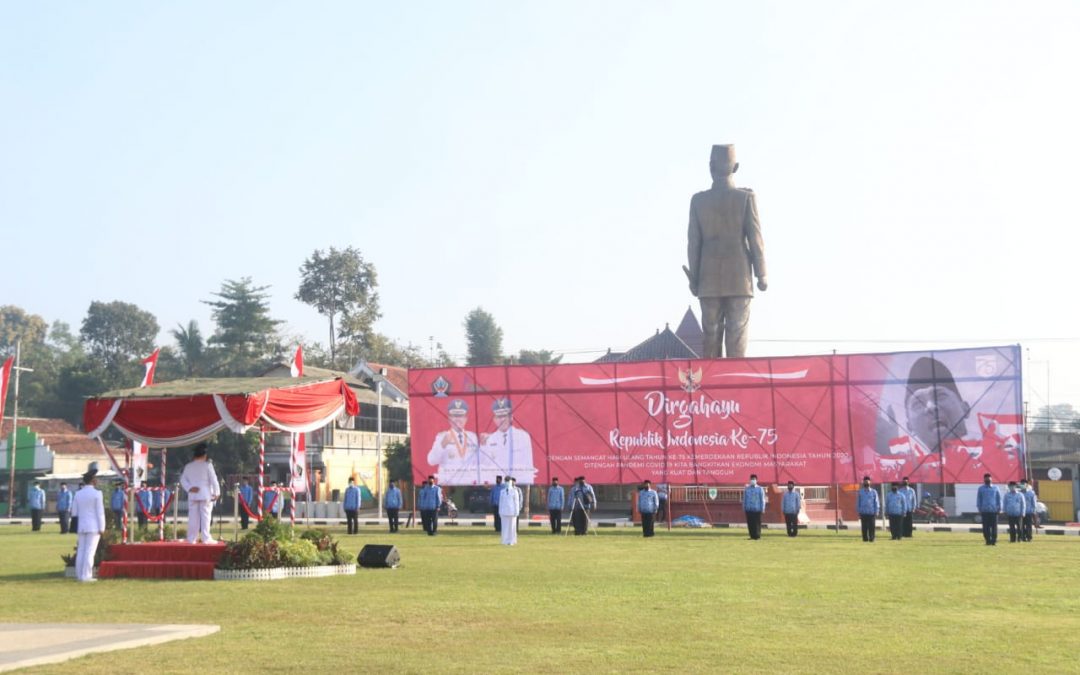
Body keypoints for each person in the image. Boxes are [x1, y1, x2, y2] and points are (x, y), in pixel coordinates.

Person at [685, 143, 767, 359]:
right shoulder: (745, 198)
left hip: (707, 277)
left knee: (710, 333)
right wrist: (761, 274)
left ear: (710, 166)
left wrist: (694, 278)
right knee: (737, 332)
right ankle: (734, 380)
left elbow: (693, 244)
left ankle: (712, 381)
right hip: (740, 278)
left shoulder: (698, 201)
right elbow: (755, 238)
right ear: (736, 166)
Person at [426, 399, 484, 485]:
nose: (458, 419)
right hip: (449, 484)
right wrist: (443, 444)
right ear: (449, 419)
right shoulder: (442, 437)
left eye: (460, 416)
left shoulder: (472, 437)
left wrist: (483, 446)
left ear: (466, 418)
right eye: (455, 416)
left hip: (469, 483)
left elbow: (479, 461)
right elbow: (431, 461)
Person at [480, 398, 537, 484]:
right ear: (494, 419)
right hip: (497, 485)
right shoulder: (489, 439)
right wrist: (483, 446)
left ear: (511, 417)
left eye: (505, 416)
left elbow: (528, 467)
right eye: (499, 416)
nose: (502, 419)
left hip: (518, 484)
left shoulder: (523, 436)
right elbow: (485, 468)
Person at [179, 442, 220, 544]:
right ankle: (206, 538)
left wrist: (189, 488)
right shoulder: (208, 465)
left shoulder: (188, 466)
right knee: (206, 517)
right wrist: (217, 492)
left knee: (193, 517)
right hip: (205, 494)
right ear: (205, 455)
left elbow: (182, 479)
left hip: (193, 494)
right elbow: (214, 479)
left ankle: (191, 538)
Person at [71, 463, 105, 582]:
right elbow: (100, 512)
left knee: (81, 550)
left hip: (81, 525)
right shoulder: (97, 493)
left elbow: (74, 512)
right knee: (90, 551)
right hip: (94, 526)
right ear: (93, 480)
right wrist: (102, 527)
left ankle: (79, 575)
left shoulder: (78, 493)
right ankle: (86, 576)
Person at [976, 473, 1002, 546]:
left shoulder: (996, 488)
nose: (988, 479)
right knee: (985, 527)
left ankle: (994, 541)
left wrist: (1000, 508)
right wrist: (979, 508)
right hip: (984, 511)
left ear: (991, 479)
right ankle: (987, 541)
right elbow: (979, 499)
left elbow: (999, 499)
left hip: (994, 511)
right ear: (984, 479)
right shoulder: (981, 488)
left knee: (994, 527)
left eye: (989, 478)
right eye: (986, 478)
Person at [499, 476, 523, 545]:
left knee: (512, 528)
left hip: (512, 512)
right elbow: (501, 502)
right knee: (504, 528)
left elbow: (516, 502)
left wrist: (516, 511)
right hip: (504, 512)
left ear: (510, 482)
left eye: (508, 481)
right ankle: (504, 541)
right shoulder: (502, 492)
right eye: (505, 481)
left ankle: (512, 541)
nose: (507, 482)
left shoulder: (514, 491)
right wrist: (500, 512)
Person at [742, 474, 766, 540]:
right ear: (750, 480)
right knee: (750, 523)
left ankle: (757, 536)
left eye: (754, 479)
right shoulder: (747, 489)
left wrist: (763, 508)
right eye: (752, 479)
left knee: (757, 523)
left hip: (757, 509)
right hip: (749, 509)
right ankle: (752, 536)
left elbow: (762, 499)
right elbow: (744, 499)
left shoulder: (760, 489)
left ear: (756, 480)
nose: (753, 480)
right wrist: (744, 507)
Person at [857, 476, 880, 543]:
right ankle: (865, 539)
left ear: (870, 482)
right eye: (865, 481)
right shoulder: (860, 492)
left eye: (868, 481)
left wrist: (877, 511)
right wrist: (858, 511)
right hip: (863, 512)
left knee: (872, 526)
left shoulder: (874, 492)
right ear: (863, 482)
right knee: (864, 527)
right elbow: (858, 502)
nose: (866, 482)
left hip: (871, 512)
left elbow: (876, 502)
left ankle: (872, 538)